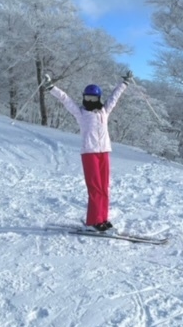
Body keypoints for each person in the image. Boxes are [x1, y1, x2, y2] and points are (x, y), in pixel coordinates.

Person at [44, 71, 133, 232]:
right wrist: (51, 87)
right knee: (95, 188)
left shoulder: (104, 112)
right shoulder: (81, 113)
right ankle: (93, 221)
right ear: (84, 98)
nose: (90, 102)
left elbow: (114, 98)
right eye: (87, 98)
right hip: (89, 153)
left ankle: (103, 219)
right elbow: (66, 100)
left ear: (98, 99)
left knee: (104, 187)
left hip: (104, 152)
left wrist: (124, 83)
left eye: (93, 99)